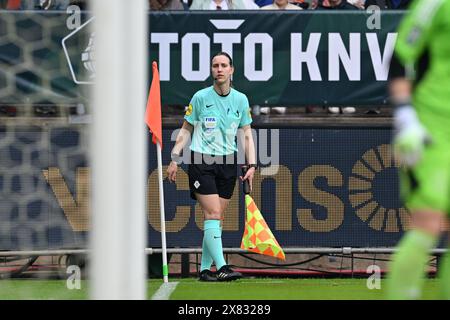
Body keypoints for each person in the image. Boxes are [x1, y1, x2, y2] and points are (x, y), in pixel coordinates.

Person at [167, 52, 257, 282]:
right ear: (211, 70)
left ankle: (205, 269)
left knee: (216, 218)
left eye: (223, 65)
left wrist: (252, 164)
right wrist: (175, 158)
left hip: (228, 162)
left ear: (231, 70)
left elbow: (246, 134)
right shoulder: (200, 97)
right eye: (215, 65)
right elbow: (186, 129)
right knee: (213, 213)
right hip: (202, 161)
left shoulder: (240, 99)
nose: (219, 69)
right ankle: (223, 266)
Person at [386, 0, 450, 300]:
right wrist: (405, 116)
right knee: (427, 221)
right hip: (431, 131)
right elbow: (399, 57)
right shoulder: (434, 4)